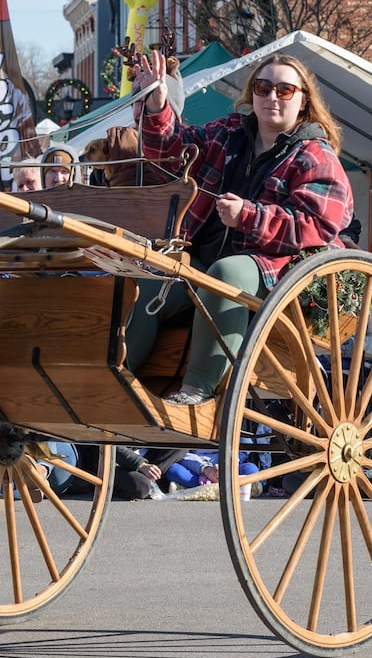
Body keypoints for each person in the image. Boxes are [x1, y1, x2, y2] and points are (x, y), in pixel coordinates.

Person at [126, 52, 352, 405]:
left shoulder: (316, 156)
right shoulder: (228, 134)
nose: (272, 97)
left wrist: (248, 216)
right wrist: (157, 107)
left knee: (226, 272)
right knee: (149, 279)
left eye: (285, 90)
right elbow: (171, 156)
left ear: (304, 101)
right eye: (263, 88)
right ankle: (121, 376)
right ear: (252, 94)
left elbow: (316, 226)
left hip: (277, 272)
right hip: (200, 261)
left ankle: (197, 389)